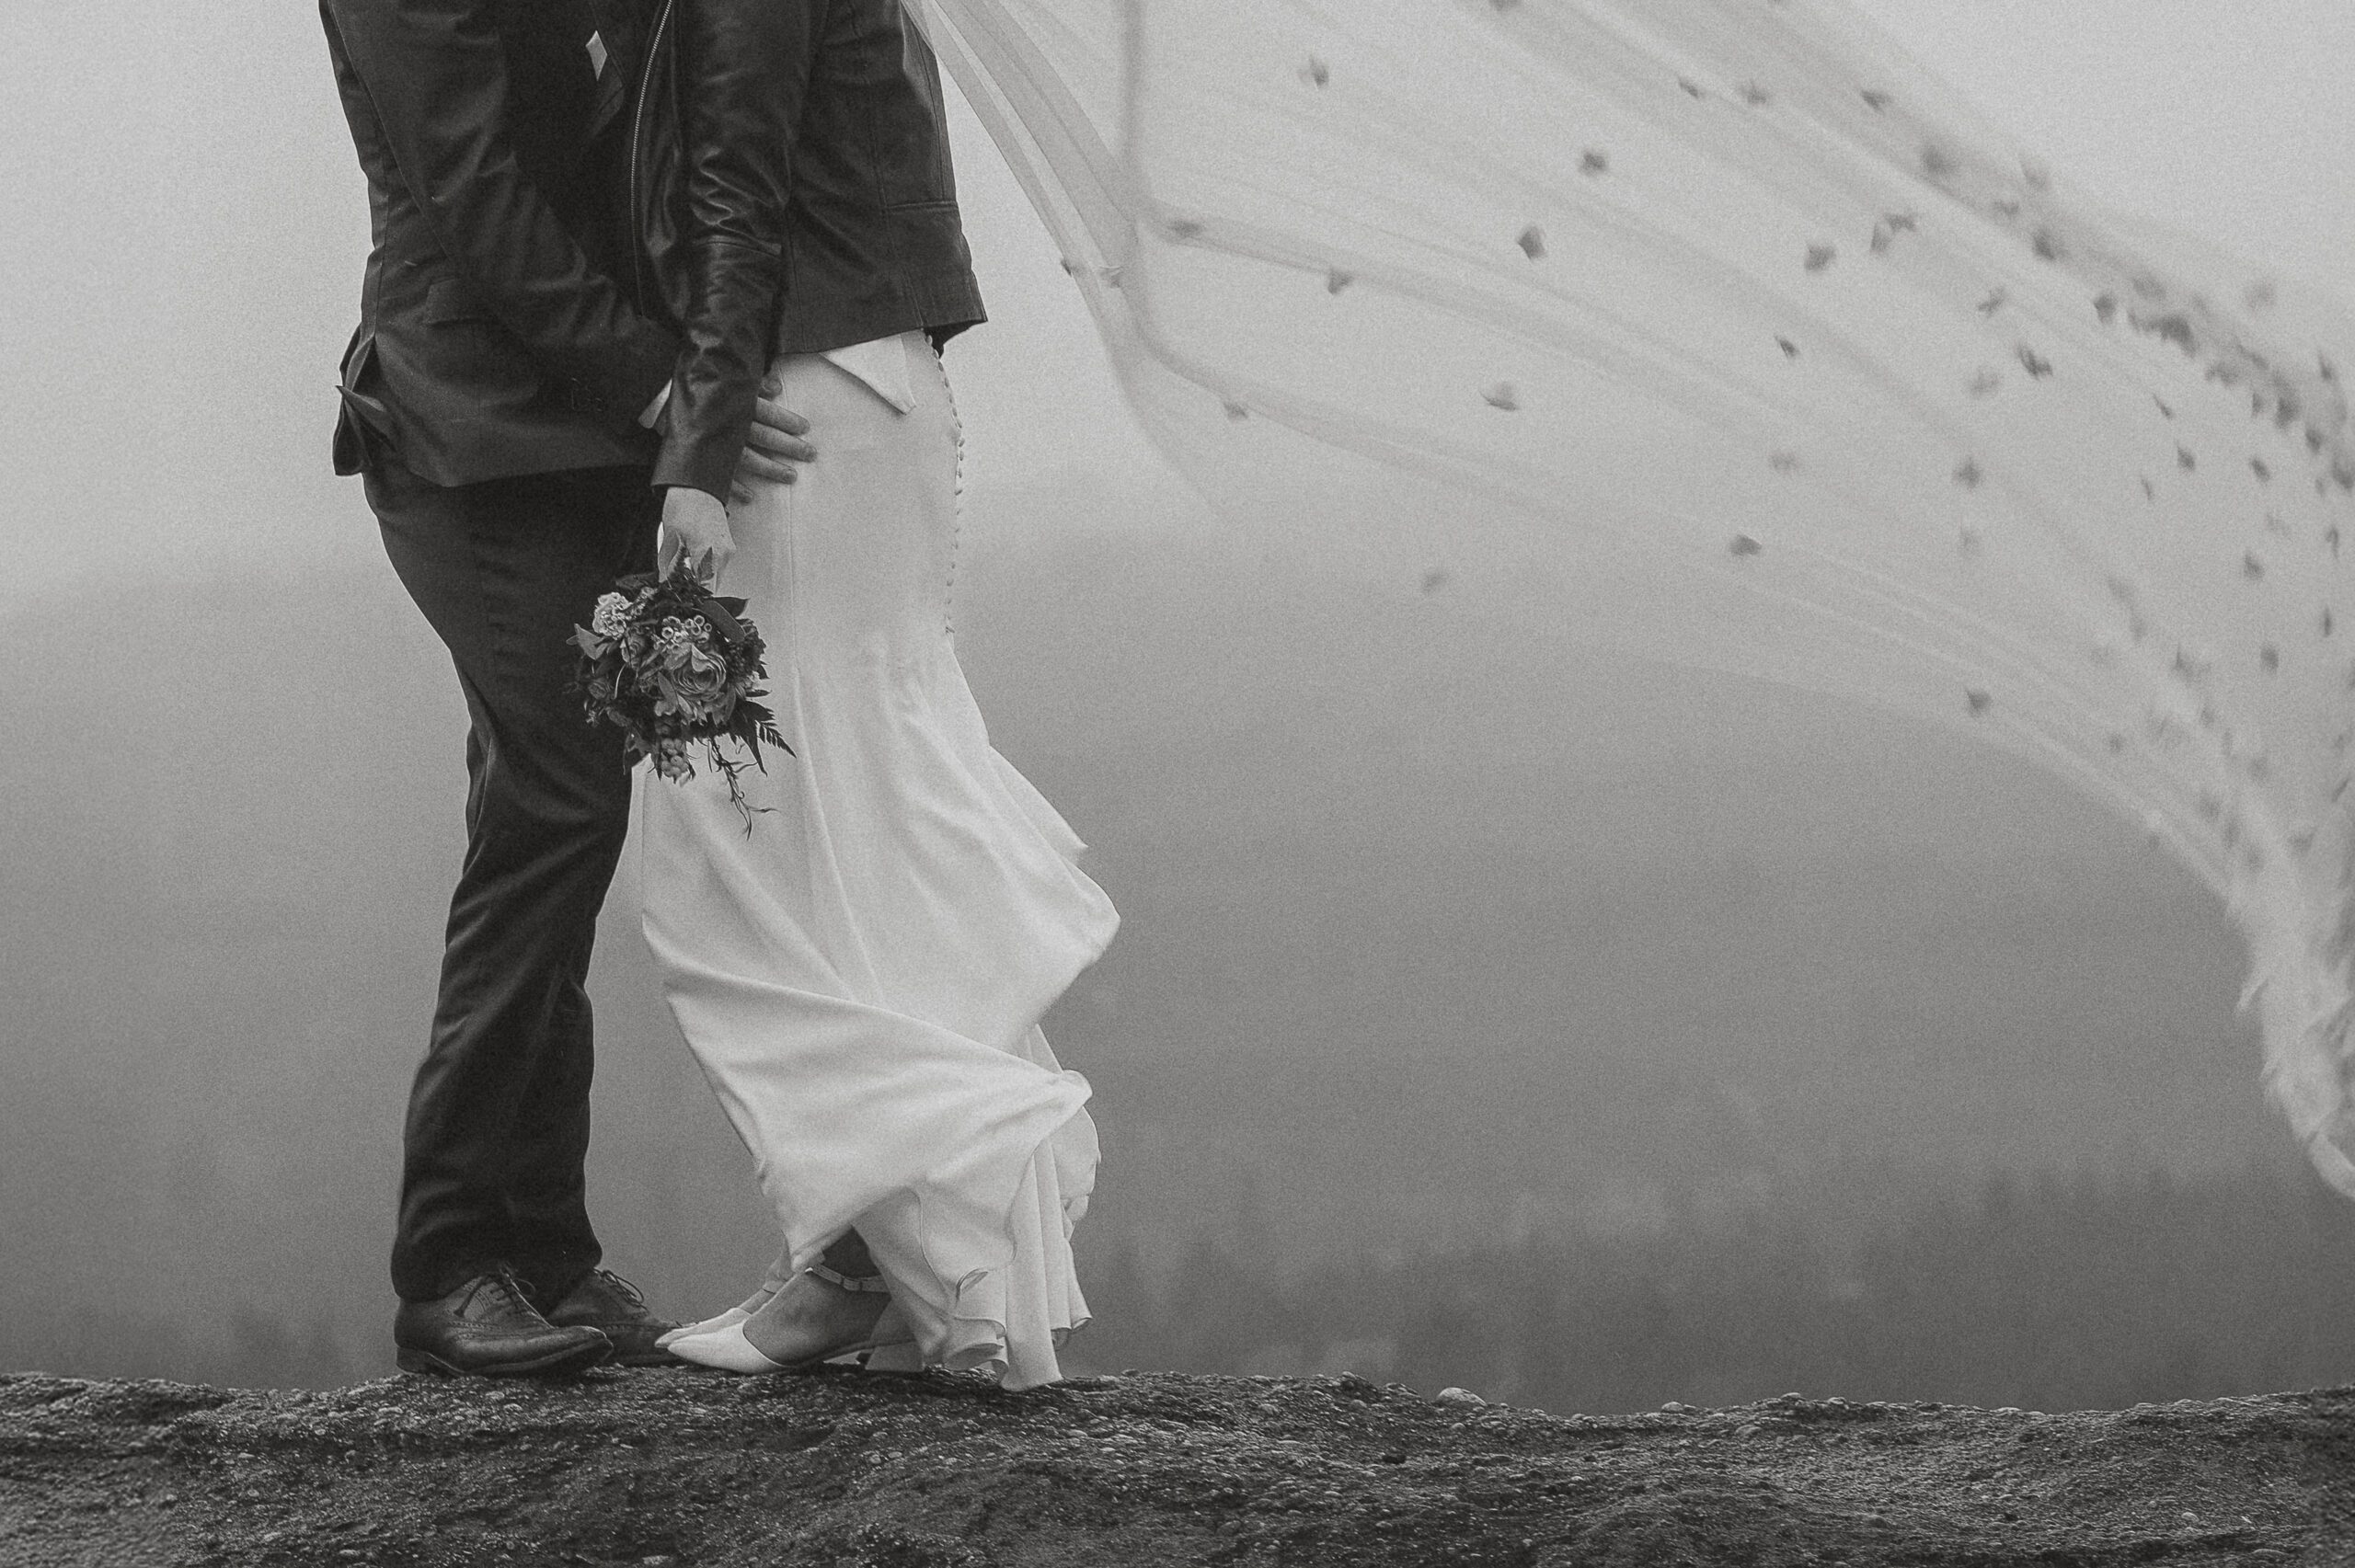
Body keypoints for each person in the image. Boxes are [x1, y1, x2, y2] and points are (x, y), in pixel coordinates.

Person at [609, 0, 1118, 1390]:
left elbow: (737, 199)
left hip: (796, 419)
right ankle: (895, 1269)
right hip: (864, 395)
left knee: (715, 846)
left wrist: (699, 451)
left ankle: (951, 1156)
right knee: (866, 820)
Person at [317, 0, 821, 1377]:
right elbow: (476, 191)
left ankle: (538, 1244)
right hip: (467, 429)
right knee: (555, 798)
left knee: (560, 803)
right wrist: (668, 390)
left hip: (574, 435)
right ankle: (450, 1262)